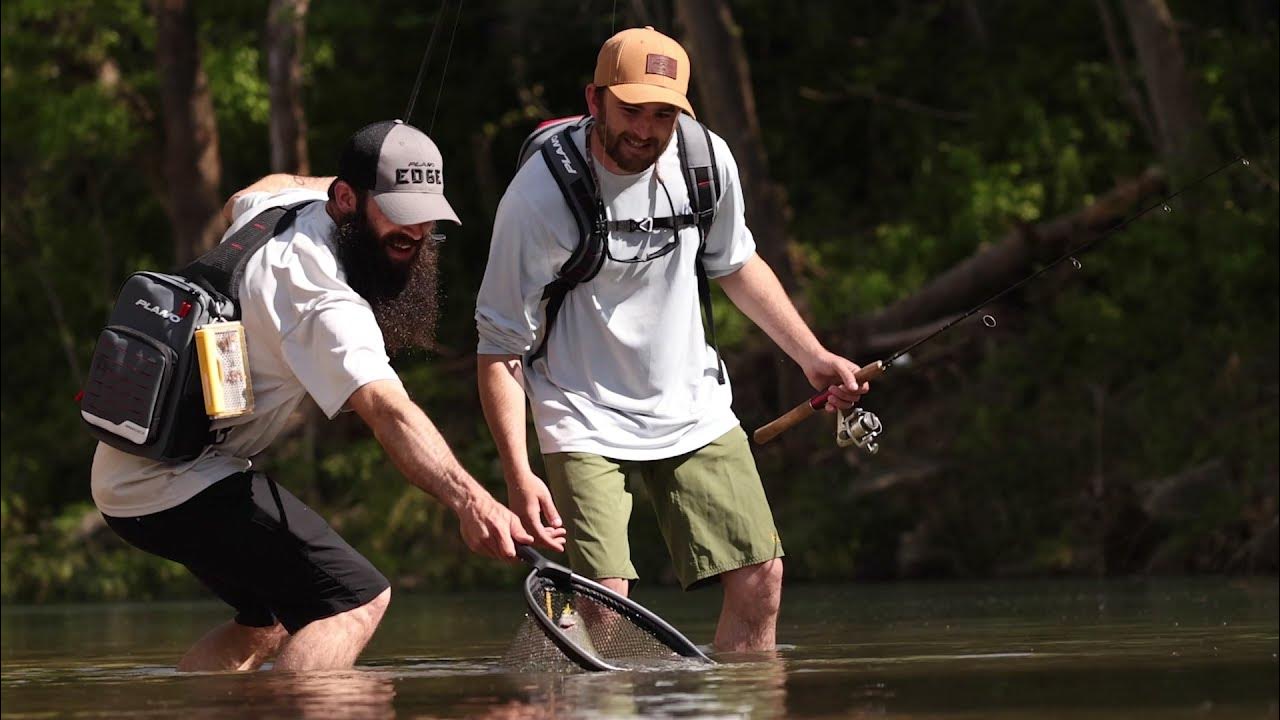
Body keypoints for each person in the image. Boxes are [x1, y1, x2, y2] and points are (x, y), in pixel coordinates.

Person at [91, 119, 561, 673]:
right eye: (398, 214)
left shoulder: (283, 207)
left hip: (135, 473)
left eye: (425, 213)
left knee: (267, 622)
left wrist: (357, 181)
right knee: (355, 600)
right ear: (346, 198)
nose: (415, 234)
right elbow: (389, 411)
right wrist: (472, 501)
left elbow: (250, 193)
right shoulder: (318, 294)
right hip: (169, 482)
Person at [475, 27, 868, 652]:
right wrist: (519, 474)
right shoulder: (537, 198)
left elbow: (737, 264)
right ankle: (570, 665)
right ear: (594, 100)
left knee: (761, 579)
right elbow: (499, 349)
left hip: (690, 400)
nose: (646, 130)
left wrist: (812, 356)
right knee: (607, 608)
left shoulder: (704, 161)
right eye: (631, 109)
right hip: (579, 406)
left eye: (663, 114)